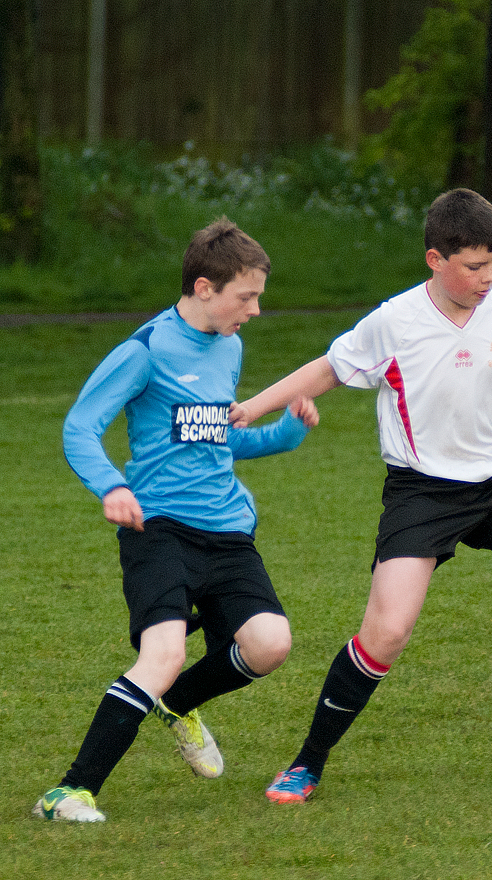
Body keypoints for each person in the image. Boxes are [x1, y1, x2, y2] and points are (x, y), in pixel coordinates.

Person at [229, 188, 492, 801]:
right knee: (385, 634)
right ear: (436, 260)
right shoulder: (396, 320)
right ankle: (308, 762)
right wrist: (252, 407)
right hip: (422, 493)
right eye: (475, 266)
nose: (488, 278)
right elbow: (330, 368)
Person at [33, 218, 319, 823]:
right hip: (159, 528)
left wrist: (287, 433)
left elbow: (216, 441)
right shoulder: (145, 351)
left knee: (270, 644)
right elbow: (80, 426)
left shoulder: (229, 347)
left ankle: (178, 704)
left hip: (228, 531)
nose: (256, 310)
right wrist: (111, 484)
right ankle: (70, 792)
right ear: (204, 288)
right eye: (247, 296)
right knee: (160, 657)